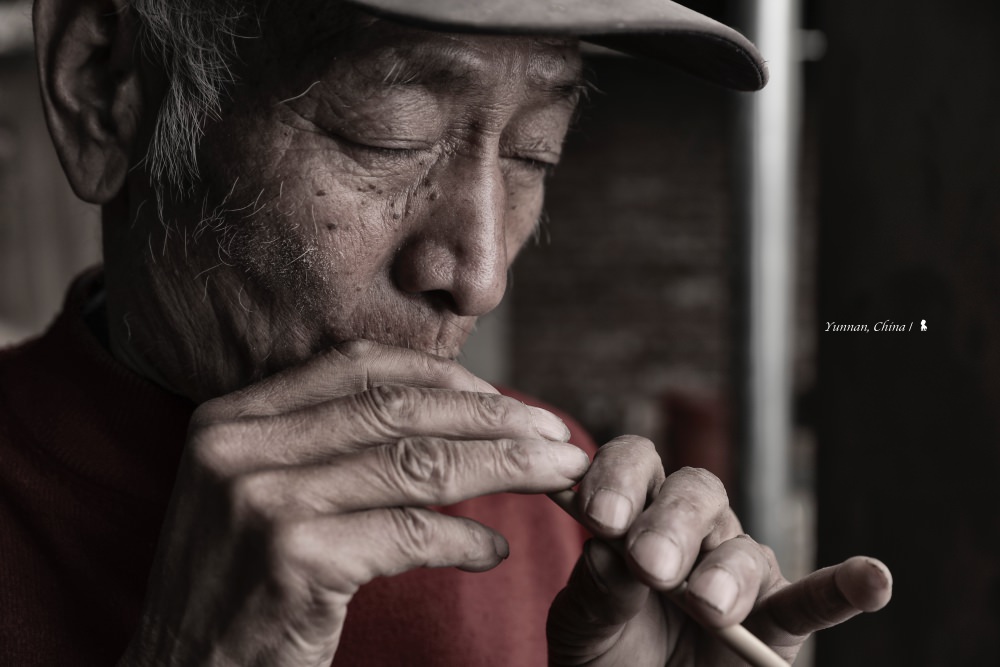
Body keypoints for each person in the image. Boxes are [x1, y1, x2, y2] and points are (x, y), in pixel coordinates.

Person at [1, 0, 892, 664]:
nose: (480, 275)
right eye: (389, 135)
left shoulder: (571, 538)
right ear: (102, 85)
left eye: (535, 151)